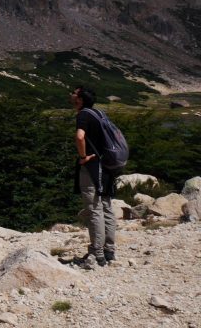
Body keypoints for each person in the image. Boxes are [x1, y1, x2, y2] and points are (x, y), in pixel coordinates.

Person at [70, 86, 116, 269]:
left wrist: (83, 157)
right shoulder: (99, 112)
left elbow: (80, 137)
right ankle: (109, 250)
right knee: (106, 206)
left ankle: (97, 254)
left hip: (91, 166)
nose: (71, 95)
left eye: (74, 92)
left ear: (79, 99)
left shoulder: (83, 115)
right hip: (106, 165)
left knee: (93, 207)